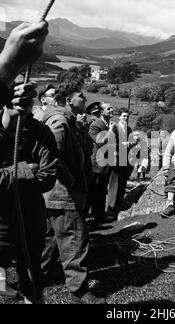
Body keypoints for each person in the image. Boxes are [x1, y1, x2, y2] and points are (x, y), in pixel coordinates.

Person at [0, 21, 59, 304]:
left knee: (33, 281)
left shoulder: (42, 133)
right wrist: (25, 170)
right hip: (1, 226)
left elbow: (48, 176)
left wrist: (9, 174)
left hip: (30, 221)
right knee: (3, 281)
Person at [38, 83, 104, 304]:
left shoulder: (69, 121)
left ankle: (36, 278)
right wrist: (70, 178)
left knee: (49, 240)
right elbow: (52, 154)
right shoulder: (60, 121)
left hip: (53, 195)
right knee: (74, 241)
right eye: (80, 96)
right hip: (63, 194)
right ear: (67, 99)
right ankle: (79, 291)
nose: (84, 99)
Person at [106, 108, 139, 221]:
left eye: (127, 116)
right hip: (116, 159)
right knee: (114, 185)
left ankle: (117, 210)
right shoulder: (114, 128)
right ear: (119, 117)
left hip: (126, 160)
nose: (126, 118)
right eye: (124, 116)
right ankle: (109, 210)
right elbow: (111, 143)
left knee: (122, 186)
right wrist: (124, 144)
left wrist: (134, 142)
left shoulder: (129, 129)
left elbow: (131, 143)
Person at [89, 103, 115, 225]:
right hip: (97, 165)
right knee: (93, 191)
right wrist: (110, 131)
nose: (111, 109)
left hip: (107, 164)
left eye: (111, 108)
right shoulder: (96, 125)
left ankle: (99, 217)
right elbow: (100, 141)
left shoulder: (109, 125)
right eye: (108, 108)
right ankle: (89, 217)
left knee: (102, 191)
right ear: (101, 112)